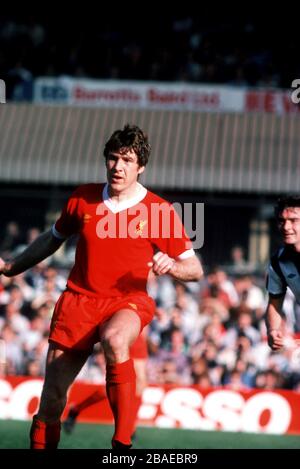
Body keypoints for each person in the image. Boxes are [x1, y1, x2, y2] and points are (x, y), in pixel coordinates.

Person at [0, 124, 203, 449]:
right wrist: (11, 267)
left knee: (115, 339)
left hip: (128, 302)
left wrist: (174, 267)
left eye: (126, 160)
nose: (118, 166)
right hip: (78, 302)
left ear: (141, 167)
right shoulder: (82, 198)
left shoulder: (159, 211)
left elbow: (194, 269)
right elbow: (51, 240)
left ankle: (122, 444)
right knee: (51, 402)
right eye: (112, 158)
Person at [63, 332, 148, 437]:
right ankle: (76, 409)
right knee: (115, 384)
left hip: (136, 333)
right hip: (119, 330)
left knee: (140, 382)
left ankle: (130, 428)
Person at [265, 195, 300, 351]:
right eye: (282, 221)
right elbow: (274, 303)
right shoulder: (278, 261)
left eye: (293, 220)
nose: (286, 227)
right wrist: (273, 330)